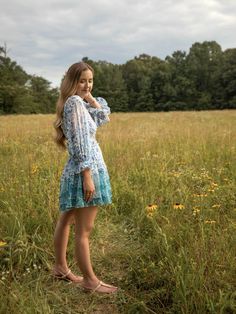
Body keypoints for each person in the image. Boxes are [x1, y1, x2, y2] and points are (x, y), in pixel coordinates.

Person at [52, 62, 118, 294]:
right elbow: (79, 143)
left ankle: (60, 267)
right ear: (72, 82)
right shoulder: (75, 104)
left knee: (66, 219)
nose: (87, 85)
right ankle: (90, 281)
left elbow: (103, 117)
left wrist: (90, 98)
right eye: (82, 81)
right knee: (84, 230)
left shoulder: (77, 103)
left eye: (90, 81)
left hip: (77, 170)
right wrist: (87, 176)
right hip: (85, 171)